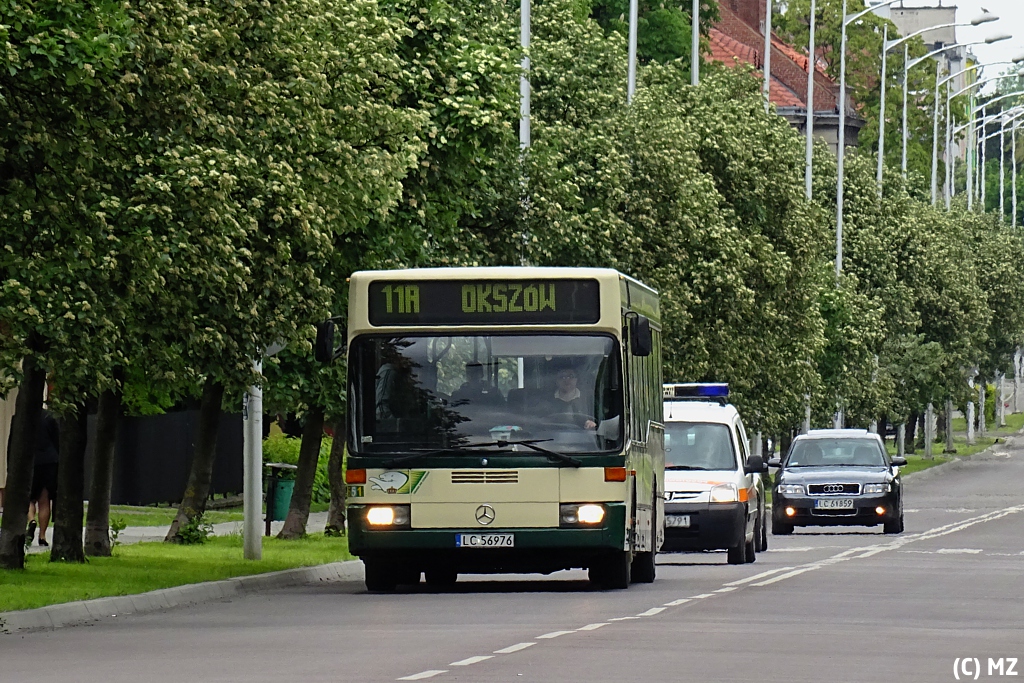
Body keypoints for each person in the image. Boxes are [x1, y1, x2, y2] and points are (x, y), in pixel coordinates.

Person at [27, 408, 59, 547]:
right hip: (49, 462)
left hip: (30, 461)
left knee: (28, 498)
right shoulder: (49, 417)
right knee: (44, 501)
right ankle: (42, 536)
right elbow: (57, 440)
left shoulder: (22, 417)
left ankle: (31, 520)